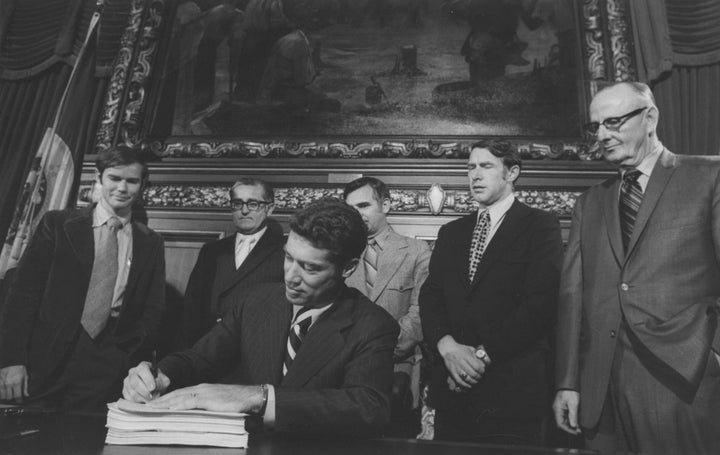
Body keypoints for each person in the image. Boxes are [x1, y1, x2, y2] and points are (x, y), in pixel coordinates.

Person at [123, 198, 399, 436]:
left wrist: (260, 397)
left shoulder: (372, 325)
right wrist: (162, 375)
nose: (290, 277)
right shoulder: (256, 300)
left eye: (310, 268)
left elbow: (368, 408)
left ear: (348, 268)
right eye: (289, 258)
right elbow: (199, 359)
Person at [553, 81, 720, 454]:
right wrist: (569, 382)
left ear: (650, 118)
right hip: (601, 393)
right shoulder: (590, 203)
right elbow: (572, 299)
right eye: (594, 127)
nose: (601, 135)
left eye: (613, 122)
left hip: (686, 381)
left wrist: (710, 354)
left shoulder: (709, 176)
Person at [0, 146, 165, 411]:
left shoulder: (151, 242)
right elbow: (23, 295)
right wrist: (10, 360)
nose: (122, 188)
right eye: (114, 178)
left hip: (108, 363)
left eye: (132, 181)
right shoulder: (57, 225)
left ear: (142, 185)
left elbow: (153, 309)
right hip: (45, 358)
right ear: (99, 178)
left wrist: (126, 357)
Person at [420, 140, 563, 443]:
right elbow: (431, 296)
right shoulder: (451, 231)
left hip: (510, 388)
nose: (475, 175)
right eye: (470, 167)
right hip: (451, 385)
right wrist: (447, 347)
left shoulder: (540, 225)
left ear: (512, 172)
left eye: (486, 166)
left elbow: (540, 303)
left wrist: (480, 357)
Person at [343, 177, 431, 435]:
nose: (356, 214)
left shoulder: (416, 250)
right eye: (351, 208)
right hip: (343, 368)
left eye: (364, 205)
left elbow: (420, 313)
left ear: (387, 205)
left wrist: (377, 351)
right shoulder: (340, 252)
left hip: (397, 367)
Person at [179, 178, 284, 348]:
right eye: (237, 203)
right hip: (209, 349)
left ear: (269, 208)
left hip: (254, 349)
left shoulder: (282, 252)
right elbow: (191, 309)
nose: (244, 210)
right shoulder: (211, 251)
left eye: (253, 204)